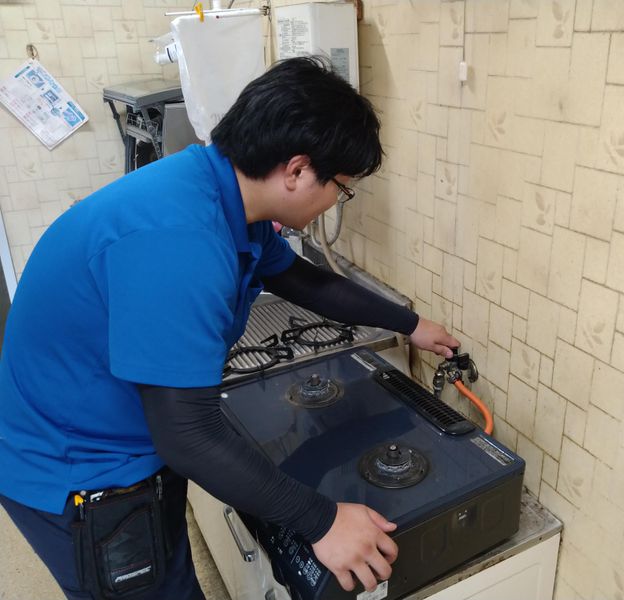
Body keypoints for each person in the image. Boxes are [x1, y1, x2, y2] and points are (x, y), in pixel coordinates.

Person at [0, 56, 459, 600]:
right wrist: (323, 521)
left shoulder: (217, 191)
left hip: (121, 434)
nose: (338, 200)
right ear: (296, 171)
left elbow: (302, 280)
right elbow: (187, 435)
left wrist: (411, 324)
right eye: (342, 186)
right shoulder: (180, 242)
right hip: (80, 470)